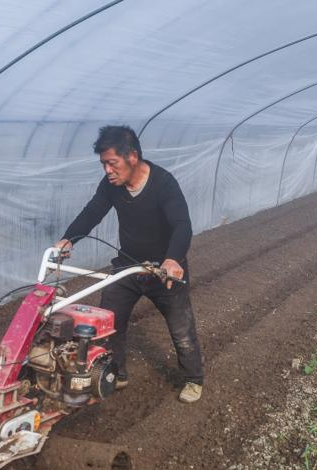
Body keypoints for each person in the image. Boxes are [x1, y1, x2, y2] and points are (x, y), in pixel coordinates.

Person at [53, 125, 204, 403]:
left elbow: (182, 225)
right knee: (110, 321)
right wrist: (68, 240)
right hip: (128, 265)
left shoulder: (163, 183)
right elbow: (92, 212)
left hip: (163, 270)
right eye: (104, 165)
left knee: (181, 328)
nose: (108, 170)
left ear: (132, 156)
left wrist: (172, 259)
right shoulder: (111, 187)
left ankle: (194, 379)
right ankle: (115, 373)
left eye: (112, 163)